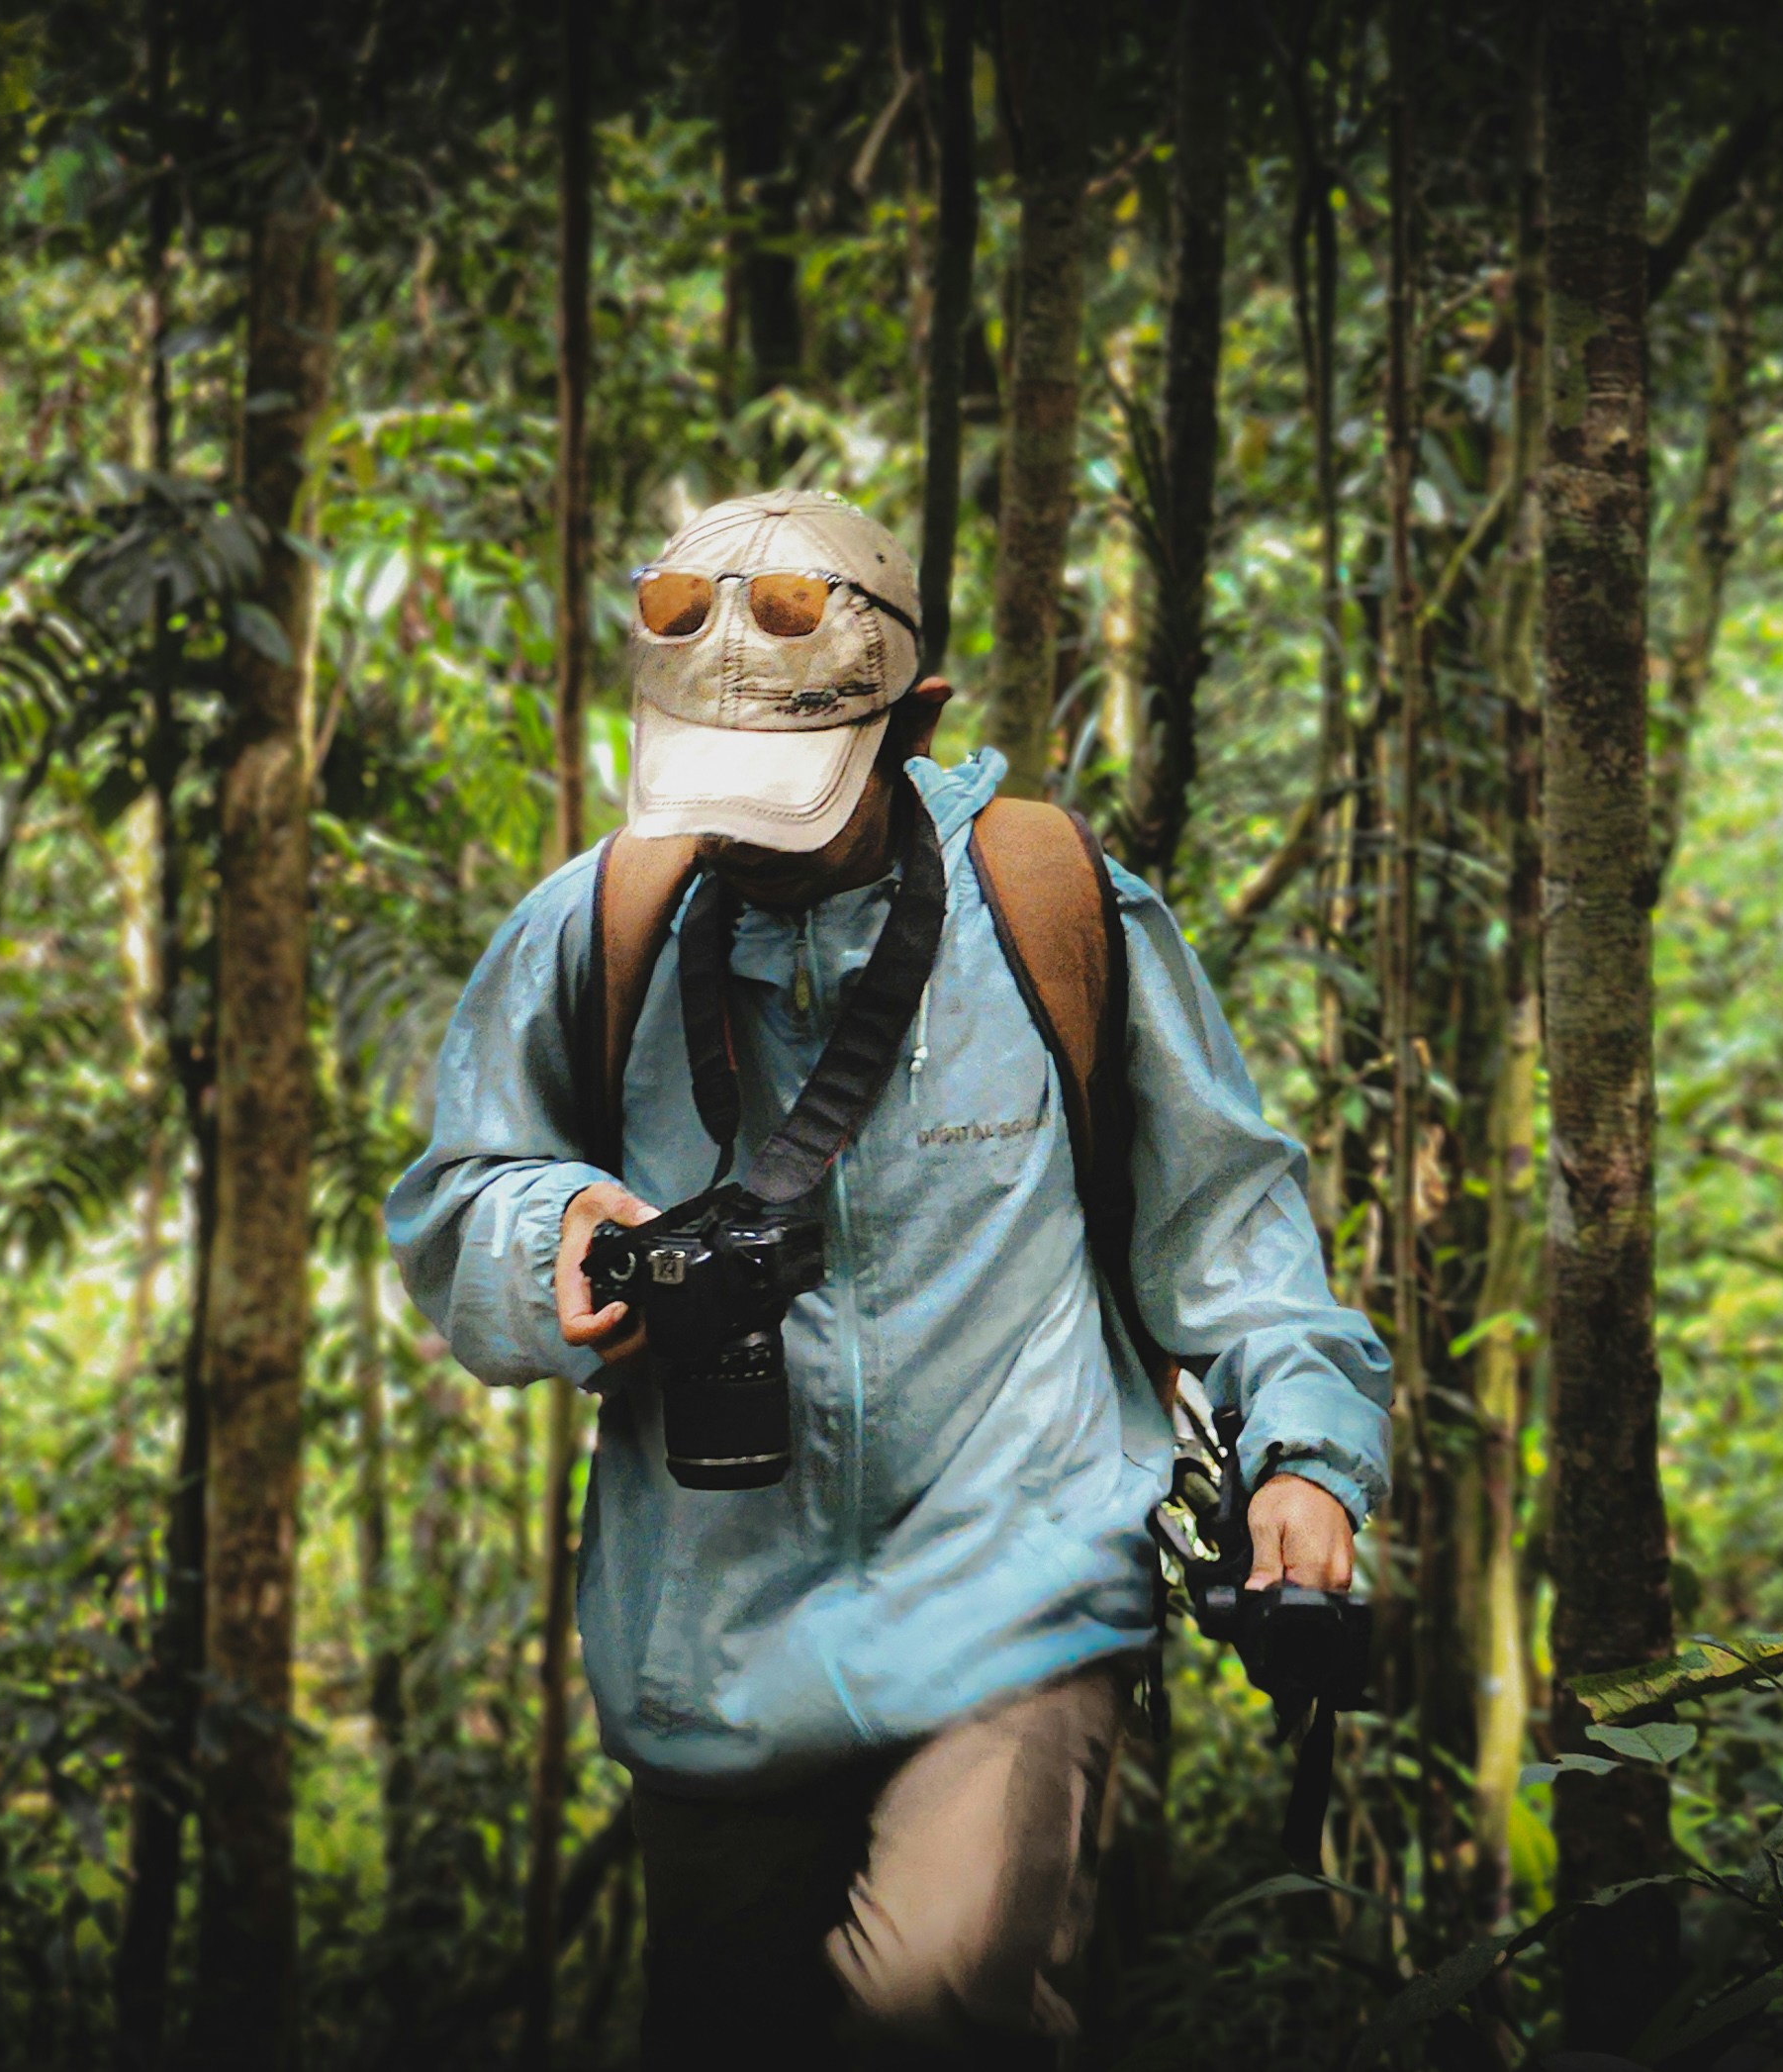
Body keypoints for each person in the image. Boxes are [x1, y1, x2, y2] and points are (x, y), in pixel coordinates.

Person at [388, 490, 1389, 2065]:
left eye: (785, 789)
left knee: (933, 2013)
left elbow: (1228, 1226)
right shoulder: (597, 928)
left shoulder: (1052, 910)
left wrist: (1308, 1458)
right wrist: (552, 1234)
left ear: (913, 722)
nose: (742, 834)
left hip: (1017, 1599)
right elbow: (454, 1195)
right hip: (714, 1652)